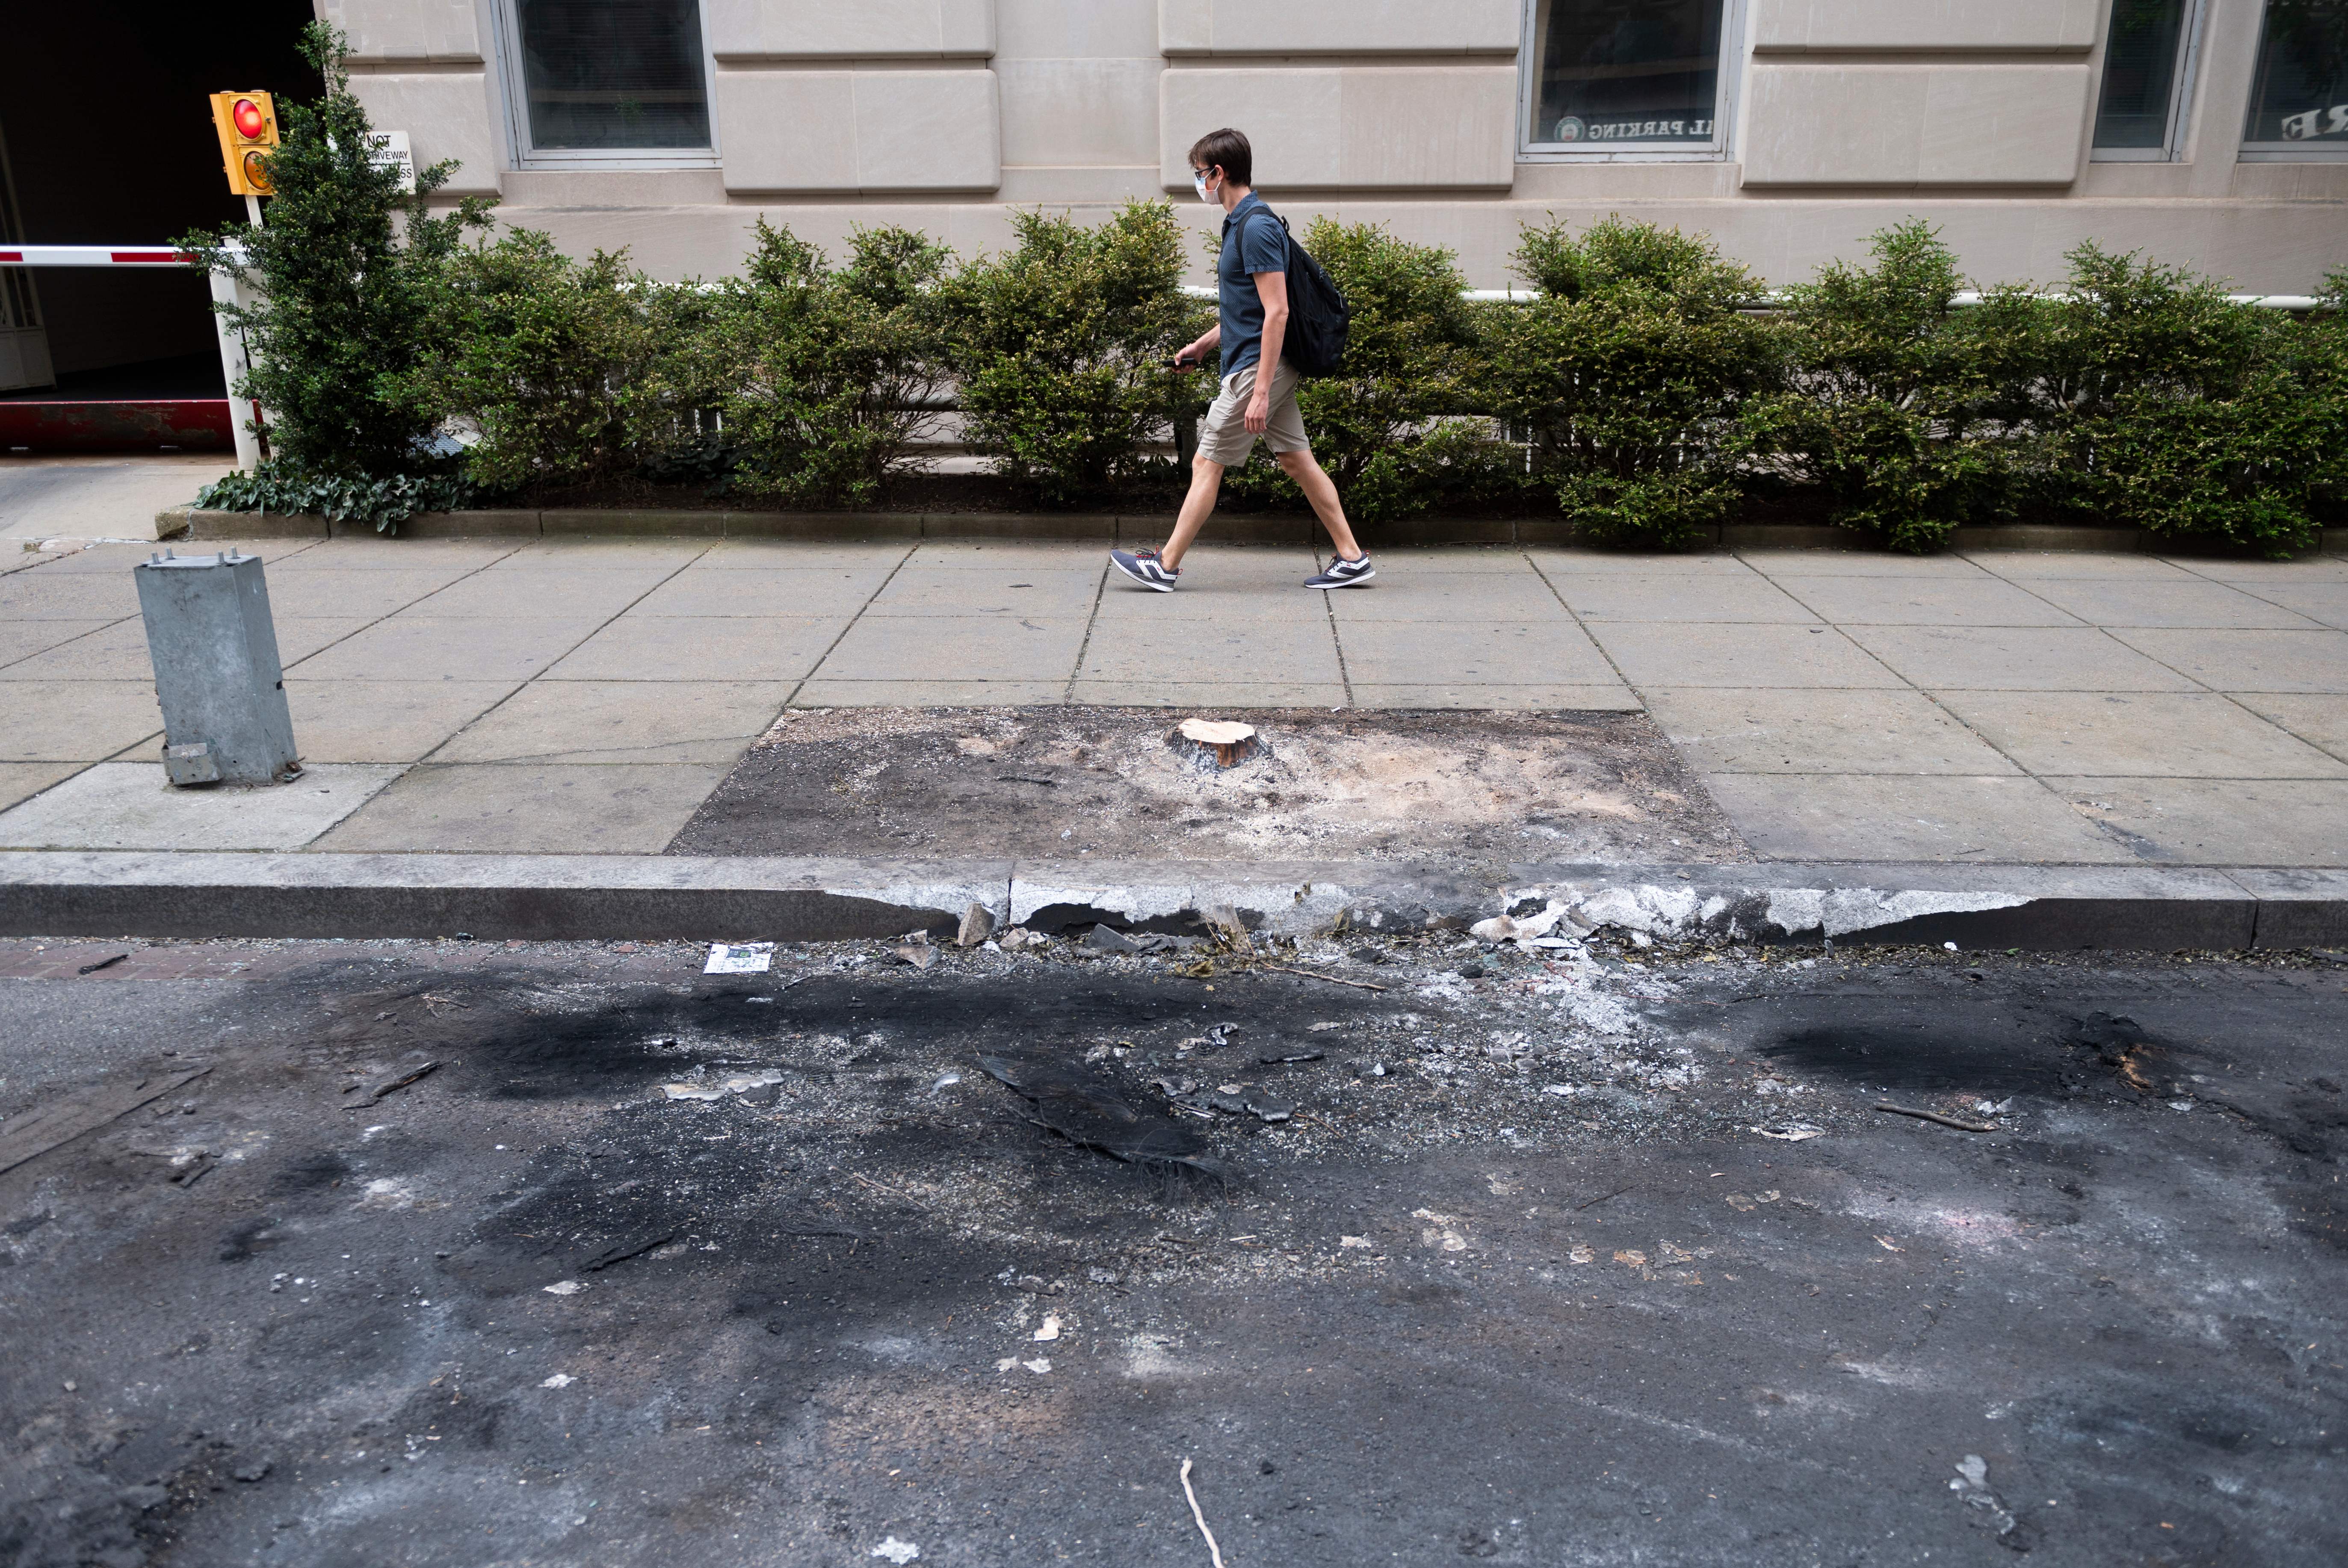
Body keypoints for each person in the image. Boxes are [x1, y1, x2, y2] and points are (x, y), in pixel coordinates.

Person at [1109, 127, 1373, 593]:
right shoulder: (1240, 222)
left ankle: (1165, 566)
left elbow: (1278, 312)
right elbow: (1248, 309)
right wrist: (1206, 344)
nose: (1198, 182)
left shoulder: (1256, 227)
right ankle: (1352, 558)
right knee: (1297, 461)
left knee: (1207, 463)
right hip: (1253, 361)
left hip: (1257, 370)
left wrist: (1262, 392)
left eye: (1199, 173)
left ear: (1219, 172)